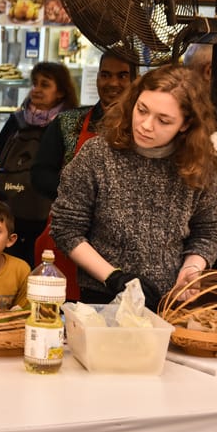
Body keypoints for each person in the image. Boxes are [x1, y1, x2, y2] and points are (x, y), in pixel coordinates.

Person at [51, 64, 217, 312]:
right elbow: (66, 228)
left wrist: (190, 271)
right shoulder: (97, 155)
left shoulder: (198, 164)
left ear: (185, 125)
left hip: (170, 300)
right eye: (141, 110)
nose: (146, 125)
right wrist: (114, 278)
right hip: (103, 296)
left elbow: (208, 231)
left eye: (163, 120)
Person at [30, 52, 136, 300]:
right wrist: (83, 197)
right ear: (97, 78)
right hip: (65, 236)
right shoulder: (67, 123)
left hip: (120, 246)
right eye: (106, 74)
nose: (113, 82)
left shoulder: (142, 128)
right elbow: (39, 175)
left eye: (122, 75)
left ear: (135, 80)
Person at [0, 61, 79, 267]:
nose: (37, 90)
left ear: (60, 92)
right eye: (35, 84)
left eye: (45, 84)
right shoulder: (17, 120)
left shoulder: (68, 125)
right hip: (10, 212)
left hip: (46, 216)